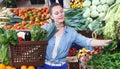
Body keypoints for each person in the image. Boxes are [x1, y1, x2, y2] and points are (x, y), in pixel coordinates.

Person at [38, 3, 112, 69]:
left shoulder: (71, 33)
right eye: (56, 13)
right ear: (51, 16)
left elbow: (87, 41)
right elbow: (34, 42)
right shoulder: (45, 29)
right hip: (44, 65)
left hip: (60, 66)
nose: (60, 14)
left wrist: (105, 42)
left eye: (61, 12)